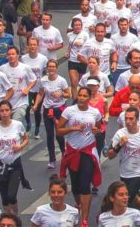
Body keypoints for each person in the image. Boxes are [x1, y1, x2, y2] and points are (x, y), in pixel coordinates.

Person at [56, 86, 104, 222]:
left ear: (89, 98)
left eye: (85, 96)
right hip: (72, 152)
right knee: (76, 186)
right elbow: (58, 131)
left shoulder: (94, 112)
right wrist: (73, 128)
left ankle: (84, 219)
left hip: (88, 151)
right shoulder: (69, 111)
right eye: (80, 96)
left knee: (85, 185)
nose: (82, 98)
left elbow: (99, 127)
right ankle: (78, 204)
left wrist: (96, 130)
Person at [0, 100, 29, 215]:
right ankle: (8, 221)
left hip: (15, 163)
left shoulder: (17, 125)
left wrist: (20, 146)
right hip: (0, 165)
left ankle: (15, 216)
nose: (4, 113)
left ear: (11, 111)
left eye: (6, 110)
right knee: (4, 198)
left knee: (11, 195)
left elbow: (26, 139)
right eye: (2, 111)